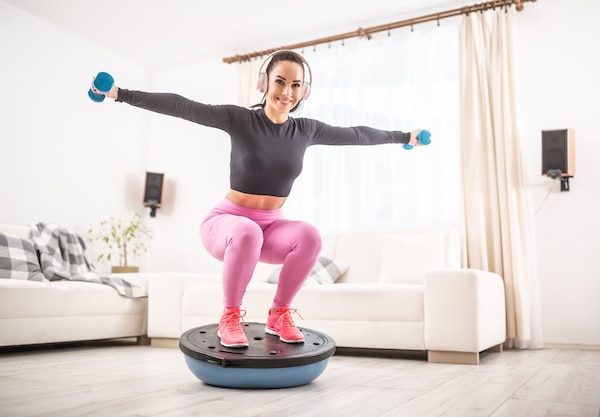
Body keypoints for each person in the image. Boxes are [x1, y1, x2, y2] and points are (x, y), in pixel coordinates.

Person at [100, 50, 426, 348]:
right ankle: (229, 316)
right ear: (263, 82)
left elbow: (357, 135)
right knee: (247, 231)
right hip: (225, 225)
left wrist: (404, 138)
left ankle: (279, 315)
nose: (287, 92)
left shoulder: (306, 130)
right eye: (280, 82)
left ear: (304, 91)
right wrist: (119, 94)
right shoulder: (240, 120)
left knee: (309, 236)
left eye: (296, 85)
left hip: (270, 229)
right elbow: (184, 107)